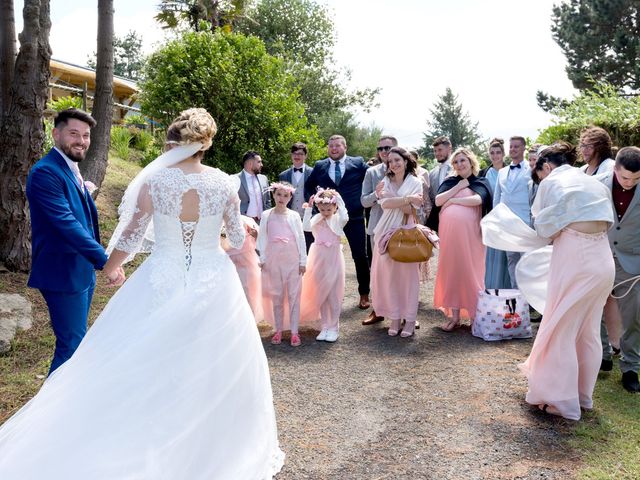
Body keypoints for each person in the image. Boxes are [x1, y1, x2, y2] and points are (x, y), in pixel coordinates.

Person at [0, 108, 285, 478]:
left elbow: (132, 236)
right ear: (207, 144)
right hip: (212, 281)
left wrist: (112, 265)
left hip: (162, 276)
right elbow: (233, 240)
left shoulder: (157, 182)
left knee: (148, 355)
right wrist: (225, 233)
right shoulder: (223, 185)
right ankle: (209, 447)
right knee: (211, 361)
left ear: (175, 142)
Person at [25, 108, 124, 375]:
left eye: (86, 135)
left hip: (80, 271)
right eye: (73, 134)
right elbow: (67, 224)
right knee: (71, 347)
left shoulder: (70, 168)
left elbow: (81, 219)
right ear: (56, 134)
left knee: (76, 342)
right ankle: (50, 412)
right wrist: (107, 261)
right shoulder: (45, 172)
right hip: (62, 273)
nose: (81, 140)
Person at [519, 142, 614, 420]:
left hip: (576, 258)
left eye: (539, 175)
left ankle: (561, 401)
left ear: (546, 166)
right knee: (588, 331)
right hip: (603, 260)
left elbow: (545, 227)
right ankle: (582, 396)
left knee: (561, 328)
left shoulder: (553, 182)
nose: (541, 181)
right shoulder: (593, 182)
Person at [305, 134, 371, 309]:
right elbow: (308, 186)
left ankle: (364, 294)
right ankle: (325, 294)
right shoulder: (319, 166)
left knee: (359, 256)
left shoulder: (358, 163)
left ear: (345, 147)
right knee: (325, 256)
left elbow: (371, 178)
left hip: (354, 216)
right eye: (331, 146)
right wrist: (314, 203)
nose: (333, 149)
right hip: (328, 219)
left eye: (337, 146)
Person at [433, 148, 493, 332]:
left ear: (471, 161)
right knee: (452, 271)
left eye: (462, 160)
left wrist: (454, 201)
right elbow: (438, 201)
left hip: (471, 236)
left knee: (470, 271)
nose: (460, 164)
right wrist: (458, 188)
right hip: (450, 236)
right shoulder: (451, 182)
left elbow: (478, 200)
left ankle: (476, 316)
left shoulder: (480, 181)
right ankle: (454, 317)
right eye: (456, 162)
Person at [370, 147, 424, 337]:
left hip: (406, 233)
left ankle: (409, 320)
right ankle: (394, 318)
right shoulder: (385, 181)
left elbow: (412, 209)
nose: (393, 164)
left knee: (409, 279)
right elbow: (385, 204)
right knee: (389, 278)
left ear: (406, 161)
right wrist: (407, 199)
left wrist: (398, 201)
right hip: (385, 233)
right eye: (390, 161)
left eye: (397, 160)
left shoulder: (416, 182)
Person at [598, 147, 640, 392]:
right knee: (594, 309)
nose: (629, 183)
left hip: (632, 261)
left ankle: (631, 366)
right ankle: (602, 356)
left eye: (636, 180)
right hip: (600, 254)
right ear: (615, 169)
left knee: (634, 316)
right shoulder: (596, 184)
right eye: (625, 177)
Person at [257, 182, 307, 347]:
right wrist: (263, 258)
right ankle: (278, 329)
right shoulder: (266, 215)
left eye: (285, 195)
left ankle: (294, 331)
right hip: (273, 260)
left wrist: (302, 261)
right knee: (277, 295)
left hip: (292, 259)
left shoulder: (293, 216)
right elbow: (262, 236)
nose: (281, 198)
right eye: (279, 194)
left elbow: (300, 238)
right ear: (273, 194)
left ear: (290, 197)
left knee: (294, 295)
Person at [300, 189, 349, 343]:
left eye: (329, 209)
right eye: (322, 209)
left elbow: (345, 217)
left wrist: (339, 199)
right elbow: (306, 227)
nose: (326, 212)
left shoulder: (337, 220)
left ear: (334, 207)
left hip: (332, 257)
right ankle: (325, 326)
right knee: (321, 293)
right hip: (318, 257)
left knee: (333, 294)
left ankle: (334, 327)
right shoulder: (316, 218)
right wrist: (309, 209)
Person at [361, 135, 397, 325]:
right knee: (378, 271)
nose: (384, 152)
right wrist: (377, 193)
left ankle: (403, 313)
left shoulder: (406, 171)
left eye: (388, 148)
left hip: (399, 227)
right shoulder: (371, 172)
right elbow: (364, 200)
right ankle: (378, 310)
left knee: (400, 271)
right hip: (378, 227)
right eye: (381, 148)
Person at [493, 135, 531, 288]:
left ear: (523, 148)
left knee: (526, 262)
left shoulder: (532, 168)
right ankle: (517, 296)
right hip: (507, 224)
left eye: (516, 146)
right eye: (511, 146)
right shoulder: (502, 172)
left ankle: (529, 297)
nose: (513, 149)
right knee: (512, 260)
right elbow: (497, 198)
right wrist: (497, 221)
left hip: (525, 223)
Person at [478, 138, 510, 289]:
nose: (495, 155)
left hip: (508, 220)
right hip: (491, 219)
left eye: (498, 152)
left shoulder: (510, 171)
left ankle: (507, 287)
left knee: (507, 255)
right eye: (492, 153)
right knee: (491, 255)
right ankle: (491, 287)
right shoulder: (483, 173)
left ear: (503, 154)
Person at [223, 215, 263, 321]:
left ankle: (250, 319)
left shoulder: (246, 220)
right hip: (227, 261)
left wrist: (255, 234)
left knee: (248, 289)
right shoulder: (220, 222)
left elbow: (260, 238)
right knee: (231, 291)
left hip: (247, 260)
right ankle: (234, 319)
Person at [279, 142, 314, 251]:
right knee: (291, 248)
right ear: (291, 155)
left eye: (300, 154)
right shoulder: (283, 175)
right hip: (289, 217)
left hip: (309, 218)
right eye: (294, 153)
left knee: (309, 248)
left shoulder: (313, 173)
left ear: (305, 156)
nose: (297, 156)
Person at [425, 136, 452, 232]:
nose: (437, 154)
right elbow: (431, 196)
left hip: (457, 217)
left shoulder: (459, 168)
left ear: (449, 148)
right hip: (439, 220)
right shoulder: (432, 173)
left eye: (440, 150)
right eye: (435, 151)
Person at [236, 150, 271, 222]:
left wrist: (267, 218)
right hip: (244, 222)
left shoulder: (264, 179)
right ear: (250, 163)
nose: (262, 165)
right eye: (259, 162)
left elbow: (267, 200)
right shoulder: (235, 179)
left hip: (262, 222)